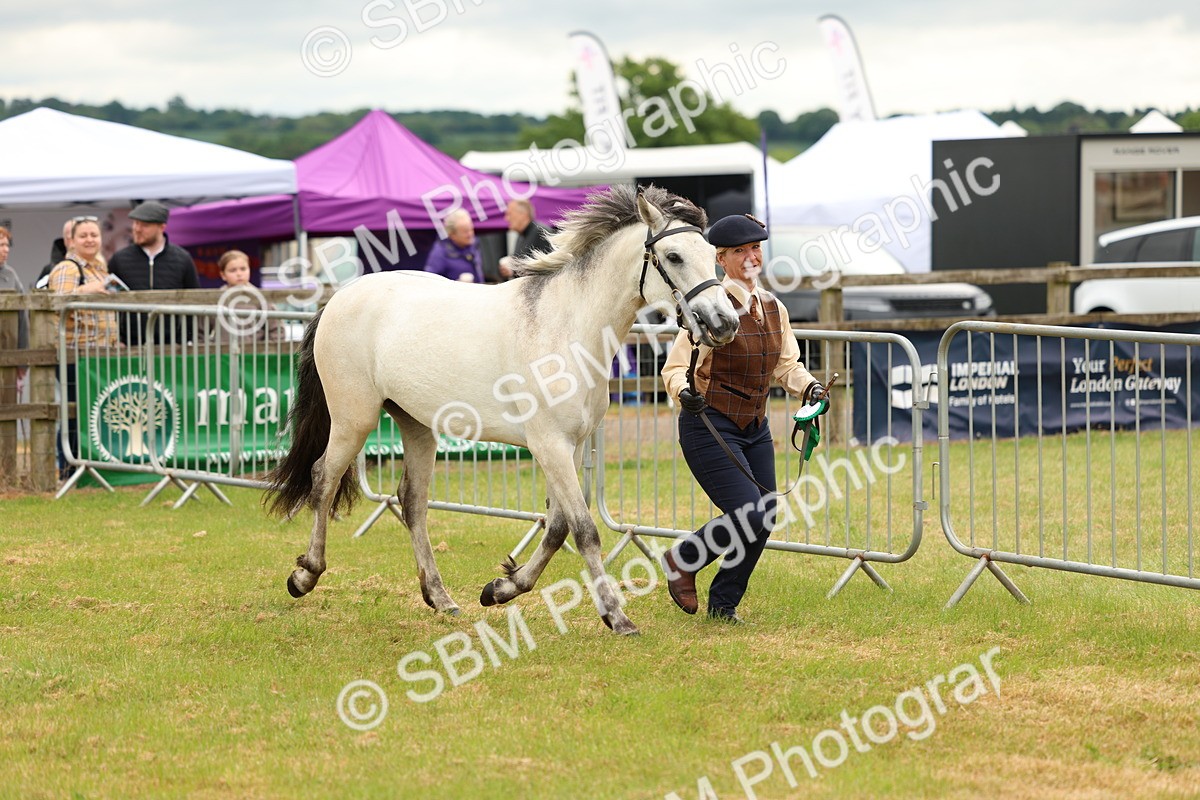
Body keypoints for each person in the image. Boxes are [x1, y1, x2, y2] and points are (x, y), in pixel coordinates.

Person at [659, 213, 829, 624]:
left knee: (764, 516)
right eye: (740, 251)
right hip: (708, 424)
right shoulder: (710, 306)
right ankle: (682, 559)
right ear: (721, 260)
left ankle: (723, 605)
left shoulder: (774, 307)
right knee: (748, 512)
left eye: (755, 248)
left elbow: (788, 365)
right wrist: (684, 393)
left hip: (754, 426)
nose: (751, 256)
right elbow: (674, 368)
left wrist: (810, 388)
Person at [47, 218, 121, 477]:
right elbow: (56, 304)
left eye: (94, 234)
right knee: (73, 414)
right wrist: (86, 289)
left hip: (100, 354)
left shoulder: (100, 268)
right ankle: (68, 471)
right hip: (74, 355)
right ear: (72, 240)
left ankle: (90, 469)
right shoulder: (68, 268)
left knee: (92, 412)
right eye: (83, 236)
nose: (90, 239)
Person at [108, 201, 199, 344]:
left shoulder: (182, 258)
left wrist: (187, 339)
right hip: (130, 344)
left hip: (172, 344)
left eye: (145, 225)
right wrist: (117, 338)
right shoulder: (119, 259)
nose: (137, 229)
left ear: (162, 227)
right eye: (135, 223)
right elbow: (108, 300)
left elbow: (195, 301)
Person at [498, 199, 552, 280]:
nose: (507, 219)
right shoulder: (520, 236)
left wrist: (514, 271)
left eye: (509, 214)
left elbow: (547, 268)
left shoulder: (542, 232)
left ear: (523, 215)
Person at [424, 209, 483, 283]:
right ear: (452, 235)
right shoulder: (440, 252)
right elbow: (429, 281)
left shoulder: (474, 244)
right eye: (465, 232)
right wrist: (456, 284)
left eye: (471, 229)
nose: (470, 234)